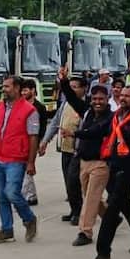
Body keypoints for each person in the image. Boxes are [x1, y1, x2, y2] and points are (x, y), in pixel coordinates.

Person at [79, 84, 130, 259]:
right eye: (122, 95)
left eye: (128, 96)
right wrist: (77, 133)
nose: (123, 98)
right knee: (125, 204)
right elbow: (99, 130)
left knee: (112, 209)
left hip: (127, 169)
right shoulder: (116, 116)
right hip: (112, 166)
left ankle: (103, 252)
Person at [0, 75, 39, 244]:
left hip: (17, 160)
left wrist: (31, 162)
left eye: (7, 86)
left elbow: (33, 137)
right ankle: (7, 230)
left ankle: (29, 219)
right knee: (1, 197)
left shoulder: (29, 110)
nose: (3, 89)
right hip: (0, 159)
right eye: (3, 86)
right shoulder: (0, 106)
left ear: (17, 88)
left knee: (12, 193)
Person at [58, 70, 113, 245]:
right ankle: (111, 217)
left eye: (101, 99)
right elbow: (71, 98)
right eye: (95, 99)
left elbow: (96, 131)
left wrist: (75, 133)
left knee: (90, 199)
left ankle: (85, 232)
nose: (97, 102)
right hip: (84, 161)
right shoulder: (88, 112)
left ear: (107, 99)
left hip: (101, 164)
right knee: (91, 196)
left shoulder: (110, 118)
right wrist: (64, 81)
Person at [40, 71, 86, 224]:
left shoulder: (85, 107)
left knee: (74, 182)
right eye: (69, 86)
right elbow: (55, 122)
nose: (71, 90)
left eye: (75, 87)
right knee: (68, 181)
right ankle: (74, 210)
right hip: (65, 149)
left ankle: (79, 212)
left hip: (77, 151)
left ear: (84, 89)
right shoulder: (65, 104)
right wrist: (45, 141)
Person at [20, 78, 49, 206]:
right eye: (22, 91)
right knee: (25, 169)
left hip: (33, 142)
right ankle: (31, 196)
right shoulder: (19, 104)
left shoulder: (39, 107)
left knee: (27, 168)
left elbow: (43, 127)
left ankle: (23, 198)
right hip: (20, 142)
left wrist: (41, 143)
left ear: (33, 90)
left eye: (25, 90)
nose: (23, 93)